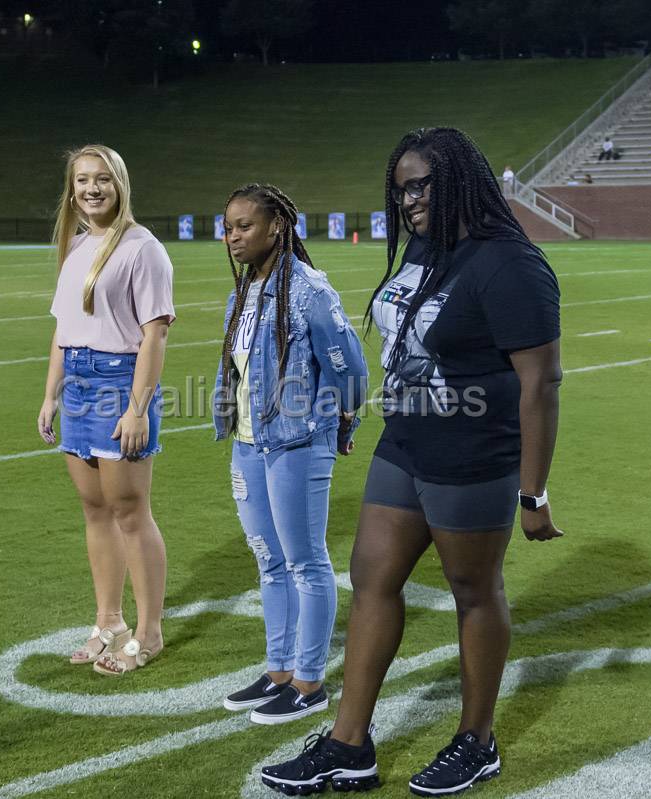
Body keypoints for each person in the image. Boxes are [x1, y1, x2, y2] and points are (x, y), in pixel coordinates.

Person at [261, 127, 564, 796]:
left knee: (472, 590)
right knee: (370, 577)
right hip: (404, 441)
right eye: (400, 190)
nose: (408, 201)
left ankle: (476, 739)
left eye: (420, 185)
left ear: (461, 180)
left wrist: (533, 492)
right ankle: (348, 743)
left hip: (473, 451)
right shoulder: (424, 249)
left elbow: (541, 382)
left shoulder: (509, 263)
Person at [214, 183, 368, 725]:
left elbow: (350, 366)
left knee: (306, 561)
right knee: (269, 560)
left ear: (277, 226)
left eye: (244, 226)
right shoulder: (243, 291)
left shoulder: (308, 290)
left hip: (299, 441)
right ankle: (279, 670)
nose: (233, 236)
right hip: (250, 441)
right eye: (228, 226)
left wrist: (341, 420)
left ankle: (309, 681)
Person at [37, 144, 175, 677]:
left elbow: (154, 334)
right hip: (76, 384)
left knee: (130, 513)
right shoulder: (73, 246)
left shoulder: (144, 249)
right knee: (94, 510)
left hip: (119, 384)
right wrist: (50, 394)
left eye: (102, 179)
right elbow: (62, 329)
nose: (91, 189)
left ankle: (149, 633)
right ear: (71, 189)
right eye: (81, 181)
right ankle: (109, 621)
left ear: (120, 184)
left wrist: (138, 408)